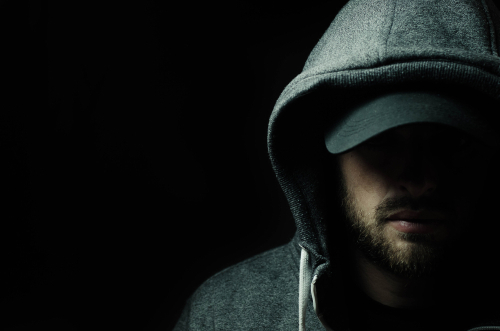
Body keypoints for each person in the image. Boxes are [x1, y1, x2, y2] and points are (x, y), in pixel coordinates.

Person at [173, 0, 500, 330]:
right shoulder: (226, 316)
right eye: (381, 140)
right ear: (325, 159)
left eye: (451, 142)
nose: (419, 180)